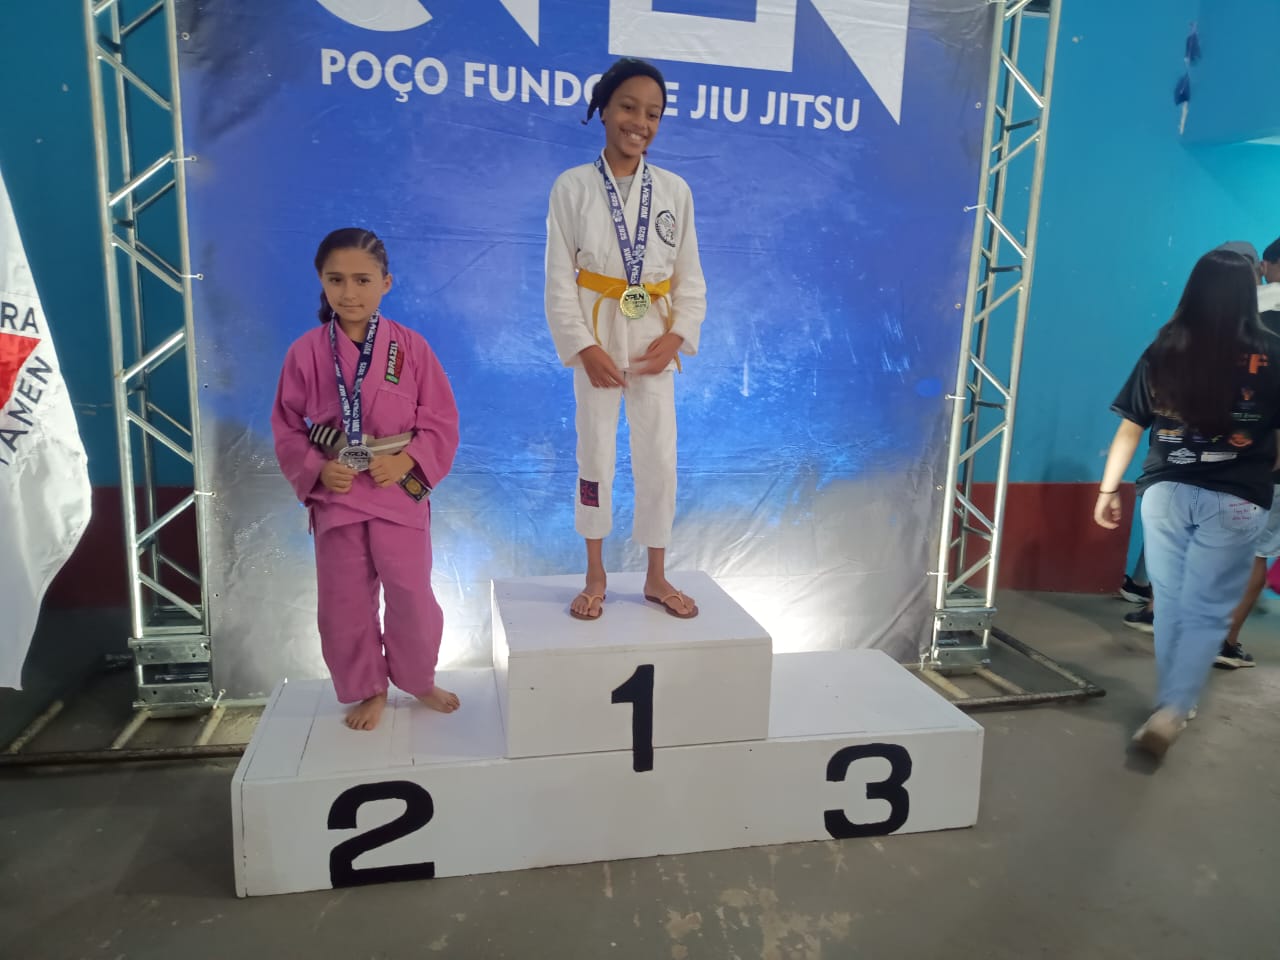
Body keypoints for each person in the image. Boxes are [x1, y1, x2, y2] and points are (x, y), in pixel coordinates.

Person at [271, 228, 461, 731]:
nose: (349, 292)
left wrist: (408, 461)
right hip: (337, 493)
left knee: (411, 592)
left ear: (386, 283)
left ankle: (418, 678)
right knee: (344, 600)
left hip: (395, 487)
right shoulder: (305, 352)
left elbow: (441, 419)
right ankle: (368, 688)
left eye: (362, 280)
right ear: (321, 281)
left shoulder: (410, 348)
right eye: (336, 280)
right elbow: (287, 425)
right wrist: (317, 468)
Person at [1094, 248, 1280, 759]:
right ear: (1250, 291)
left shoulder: (1166, 347)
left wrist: (1108, 489)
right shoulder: (1275, 352)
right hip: (1239, 498)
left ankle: (1172, 701)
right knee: (1208, 606)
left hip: (1166, 493)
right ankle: (1175, 706)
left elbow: (1131, 425)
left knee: (1171, 600)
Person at [544, 57, 708, 621]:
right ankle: (596, 574)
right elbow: (558, 279)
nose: (640, 122)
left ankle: (657, 576)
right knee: (594, 451)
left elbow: (690, 277)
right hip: (596, 337)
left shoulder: (675, 191)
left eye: (653, 114)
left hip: (653, 340)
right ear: (604, 109)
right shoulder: (572, 186)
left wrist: (678, 335)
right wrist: (583, 347)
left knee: (659, 456)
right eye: (629, 108)